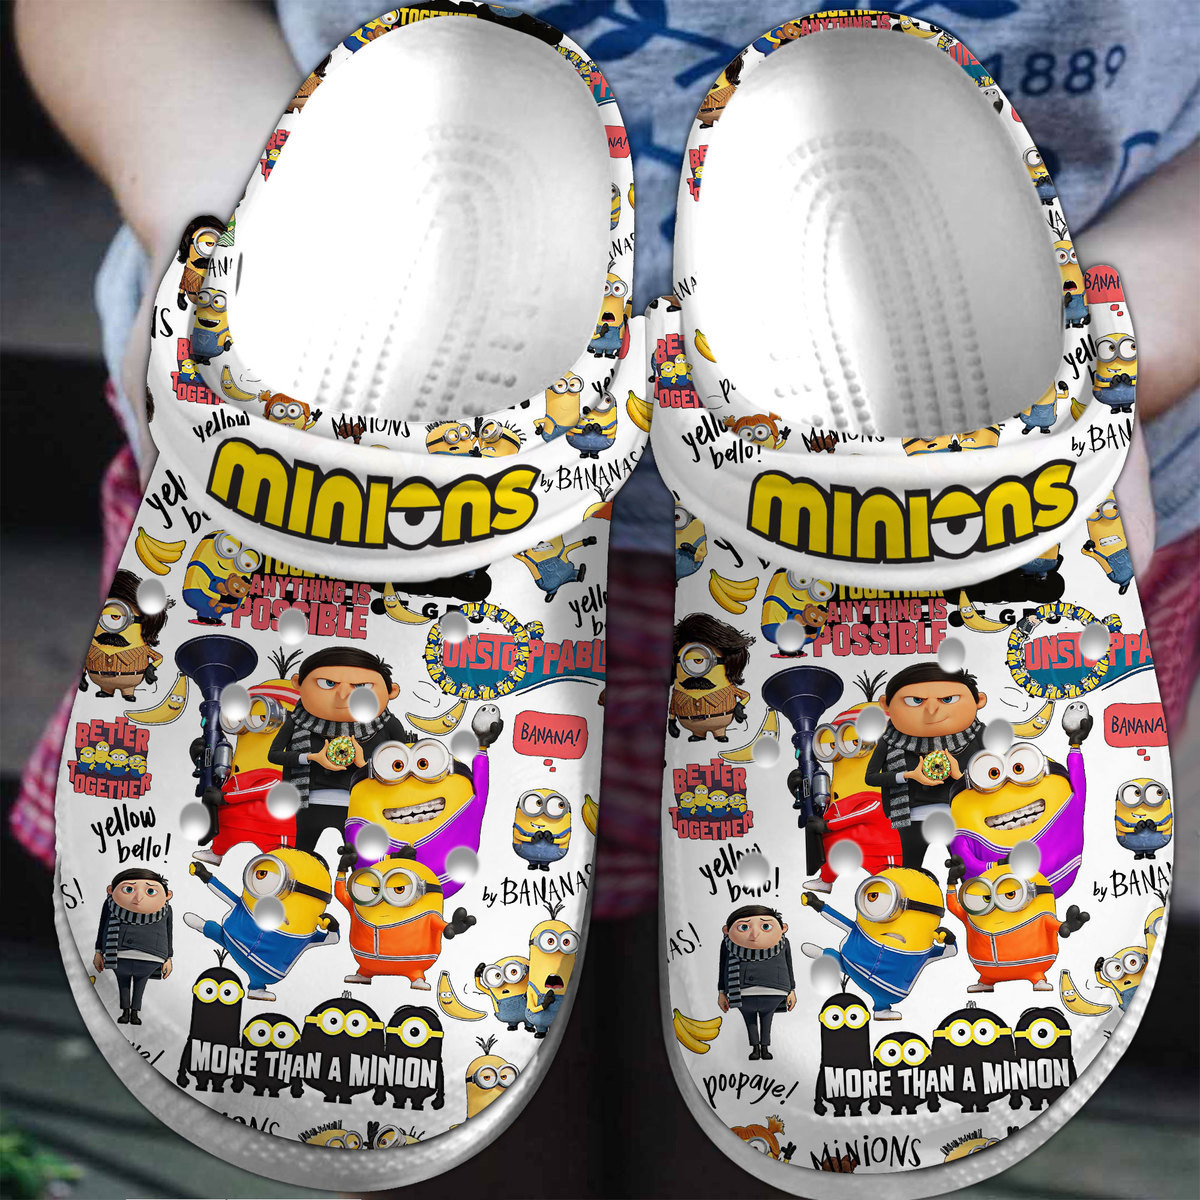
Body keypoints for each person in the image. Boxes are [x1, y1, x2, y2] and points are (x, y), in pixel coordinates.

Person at [268, 647, 411, 853]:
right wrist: (311, 757)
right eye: (328, 683)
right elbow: (273, 755)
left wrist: (365, 766)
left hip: (361, 806)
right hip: (308, 805)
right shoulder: (296, 721)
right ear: (298, 683)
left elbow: (403, 770)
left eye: (361, 686)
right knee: (300, 859)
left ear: (391, 692)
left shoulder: (388, 725)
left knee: (359, 862)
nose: (343, 695)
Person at [865, 664, 987, 870]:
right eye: (915, 701)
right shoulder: (889, 740)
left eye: (947, 699)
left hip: (958, 814)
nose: (931, 711)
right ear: (886, 705)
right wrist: (907, 775)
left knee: (967, 869)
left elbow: (997, 776)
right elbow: (870, 777)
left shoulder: (979, 735)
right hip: (911, 817)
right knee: (910, 872)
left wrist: (961, 776)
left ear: (979, 700)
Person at [93, 867, 173, 1025]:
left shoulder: (166, 910)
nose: (138, 898)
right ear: (110, 890)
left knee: (139, 985)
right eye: (128, 889)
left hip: (151, 955)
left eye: (150, 891)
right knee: (123, 984)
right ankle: (126, 1011)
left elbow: (168, 932)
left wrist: (168, 957)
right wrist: (98, 951)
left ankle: (134, 1012)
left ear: (167, 895)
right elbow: (102, 926)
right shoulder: (109, 905)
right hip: (118, 954)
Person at [717, 904, 796, 1061]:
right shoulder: (727, 945)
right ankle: (755, 1047)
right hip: (741, 992)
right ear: (726, 930)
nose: (754, 935)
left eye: (765, 926)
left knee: (766, 1020)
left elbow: (788, 965)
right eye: (744, 927)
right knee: (750, 1021)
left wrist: (791, 990)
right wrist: (722, 992)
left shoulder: (784, 943)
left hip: (774, 990)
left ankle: (764, 1047)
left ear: (783, 928)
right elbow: (723, 966)